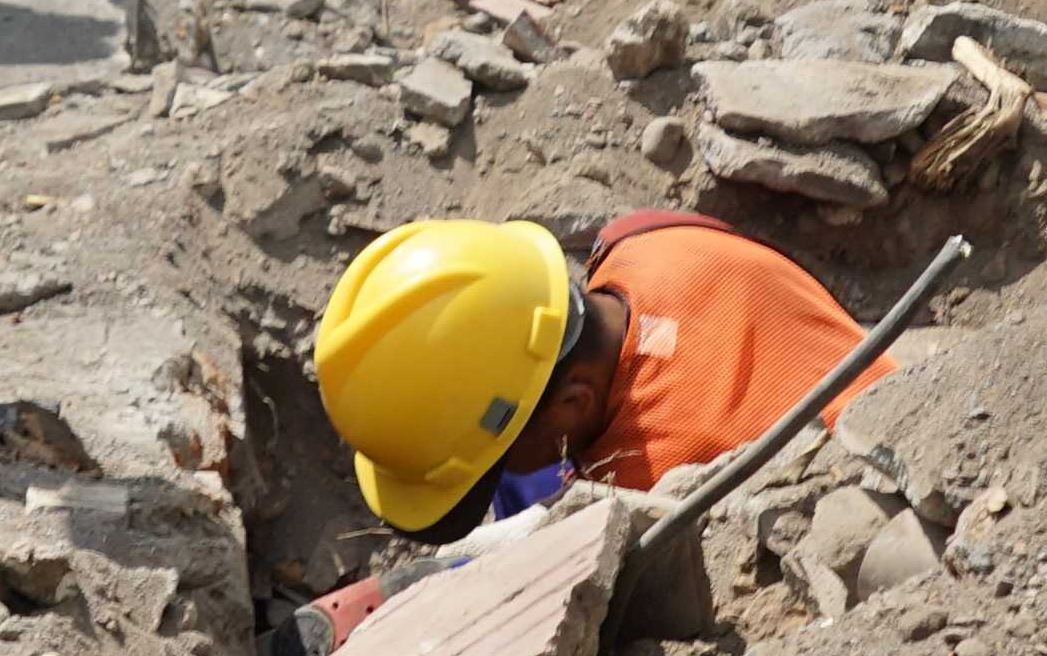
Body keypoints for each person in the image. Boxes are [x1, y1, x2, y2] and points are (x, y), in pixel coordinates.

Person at [311, 212, 896, 542]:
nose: (498, 471)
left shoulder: (651, 486)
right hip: (866, 380)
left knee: (535, 512)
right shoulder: (643, 240)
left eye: (495, 460)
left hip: (869, 489)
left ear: (572, 402)